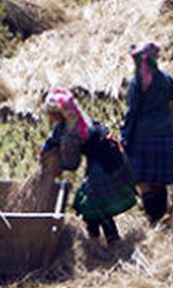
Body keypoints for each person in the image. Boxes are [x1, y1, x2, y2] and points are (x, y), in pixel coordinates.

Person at [42, 88, 135, 245]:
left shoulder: (72, 133)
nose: (48, 116)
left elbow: (72, 164)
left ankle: (112, 241)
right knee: (87, 202)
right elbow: (53, 138)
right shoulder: (74, 118)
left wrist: (57, 166)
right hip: (110, 156)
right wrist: (46, 152)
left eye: (50, 113)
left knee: (96, 204)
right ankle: (95, 238)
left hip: (105, 163)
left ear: (58, 114)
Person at [120, 41, 173, 225]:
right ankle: (161, 217)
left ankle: (152, 220)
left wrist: (124, 138)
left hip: (142, 138)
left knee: (144, 181)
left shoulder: (136, 83)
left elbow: (131, 113)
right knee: (160, 181)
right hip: (165, 135)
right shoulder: (165, 79)